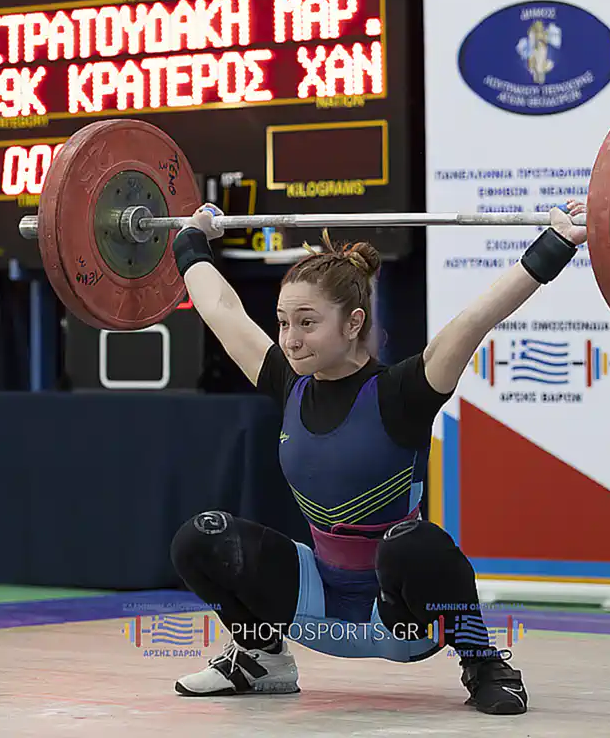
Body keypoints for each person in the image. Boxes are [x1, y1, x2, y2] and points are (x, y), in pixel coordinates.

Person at [167, 199, 588, 716]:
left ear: (353, 323)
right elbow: (222, 309)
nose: (290, 340)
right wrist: (191, 238)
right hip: (314, 604)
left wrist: (561, 240)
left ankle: (482, 661)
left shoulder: (405, 391)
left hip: (403, 619)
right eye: (282, 323)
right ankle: (262, 658)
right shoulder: (287, 380)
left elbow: (479, 316)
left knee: (415, 542)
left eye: (306, 323)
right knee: (199, 539)